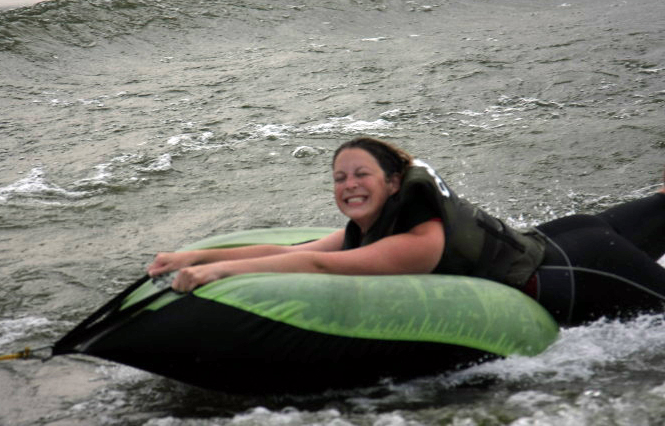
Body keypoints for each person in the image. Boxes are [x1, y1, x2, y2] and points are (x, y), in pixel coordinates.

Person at [148, 137, 665, 326]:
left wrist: (217, 270)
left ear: (394, 183)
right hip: (565, 236)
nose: (348, 186)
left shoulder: (416, 241)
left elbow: (319, 265)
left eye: (361, 175)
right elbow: (299, 248)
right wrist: (187, 254)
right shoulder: (370, 227)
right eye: (339, 178)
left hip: (588, 268)